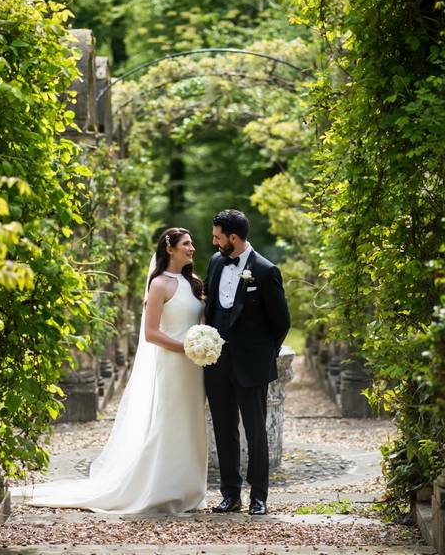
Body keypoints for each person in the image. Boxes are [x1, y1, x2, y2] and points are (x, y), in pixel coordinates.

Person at [19, 227, 207, 513]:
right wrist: (184, 347)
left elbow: (200, 319)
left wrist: (204, 343)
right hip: (172, 364)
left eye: (191, 244)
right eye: (186, 244)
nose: (192, 248)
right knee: (169, 421)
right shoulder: (159, 285)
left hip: (195, 367)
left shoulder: (194, 282)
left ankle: (189, 489)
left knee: (192, 423)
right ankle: (160, 489)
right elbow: (151, 333)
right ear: (170, 249)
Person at [204, 209, 290, 516]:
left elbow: (281, 323)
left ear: (234, 238)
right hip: (216, 363)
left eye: (217, 237)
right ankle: (230, 494)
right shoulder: (215, 263)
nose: (213, 242)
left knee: (255, 431)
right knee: (224, 428)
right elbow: (212, 309)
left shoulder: (266, 271)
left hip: (251, 365)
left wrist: (264, 356)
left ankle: (259, 496)